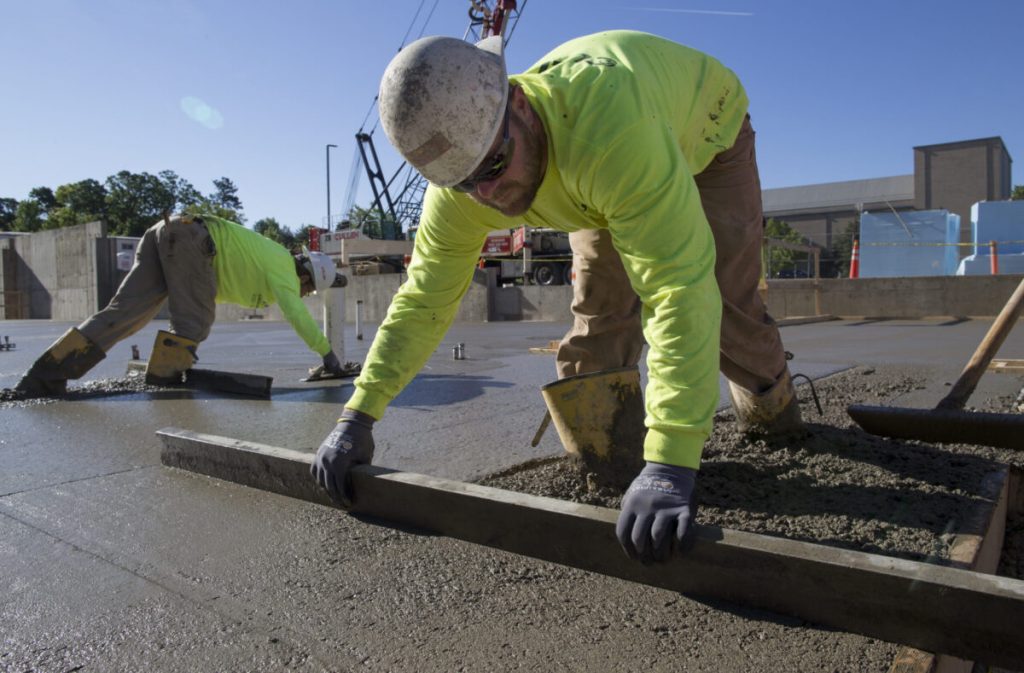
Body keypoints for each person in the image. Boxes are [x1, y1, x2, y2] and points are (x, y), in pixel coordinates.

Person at [311, 30, 804, 563]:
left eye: (494, 168)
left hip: (707, 132)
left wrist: (670, 462)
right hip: (595, 171)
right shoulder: (469, 174)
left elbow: (676, 289)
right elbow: (424, 299)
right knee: (599, 313)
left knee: (727, 308)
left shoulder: (611, 131)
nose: (487, 197)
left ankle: (775, 418)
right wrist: (357, 417)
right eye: (464, 184)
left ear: (518, 104)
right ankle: (610, 471)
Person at [15, 213, 345, 396]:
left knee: (125, 315)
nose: (305, 296)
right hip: (193, 241)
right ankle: (163, 379)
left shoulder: (273, 258)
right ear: (306, 277)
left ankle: (43, 376)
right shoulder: (285, 270)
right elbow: (296, 314)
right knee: (195, 322)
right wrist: (327, 354)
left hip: (169, 230)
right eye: (309, 291)